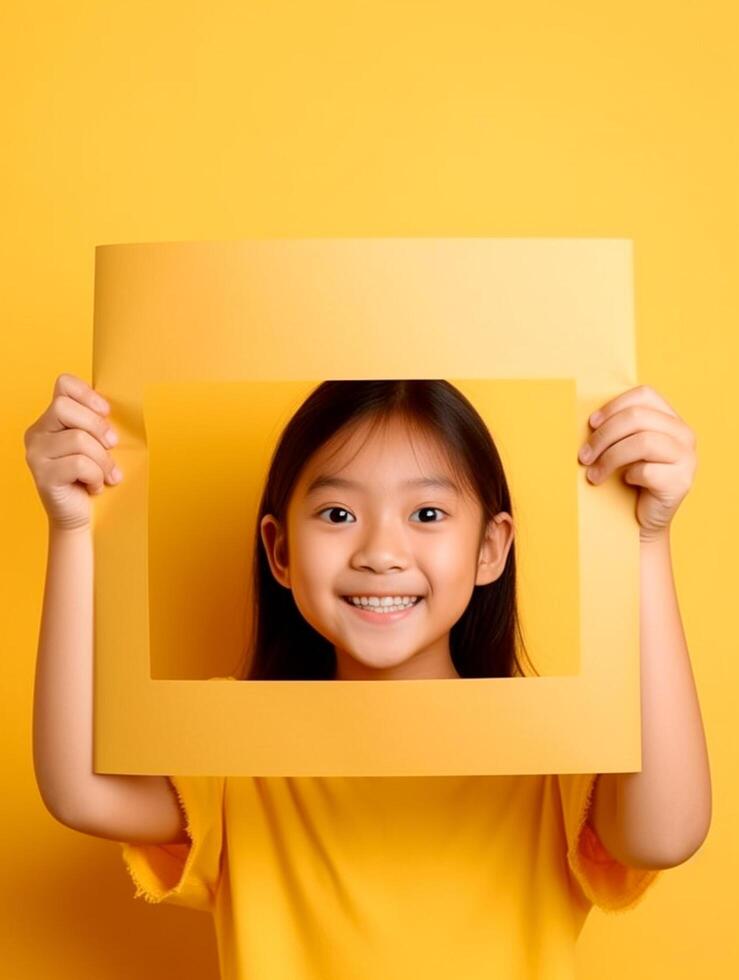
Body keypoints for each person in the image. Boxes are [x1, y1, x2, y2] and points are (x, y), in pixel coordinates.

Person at [27, 373, 711, 980]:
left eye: (427, 514)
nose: (380, 553)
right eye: (337, 514)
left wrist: (646, 539)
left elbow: (664, 834)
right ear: (280, 550)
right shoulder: (234, 745)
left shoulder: (551, 743)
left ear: (490, 548)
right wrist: (73, 526)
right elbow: (81, 788)